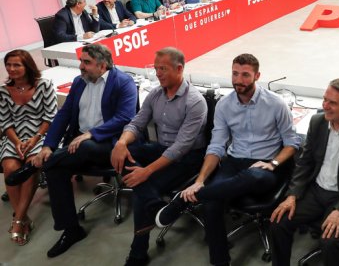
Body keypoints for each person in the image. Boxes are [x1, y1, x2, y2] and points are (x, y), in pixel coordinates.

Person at [154, 53, 301, 266]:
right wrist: (200, 181)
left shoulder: (276, 104)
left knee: (253, 176)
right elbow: (216, 147)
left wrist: (274, 163)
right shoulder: (224, 105)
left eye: (245, 75)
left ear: (257, 76)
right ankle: (220, 260)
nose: (238, 80)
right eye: (235, 74)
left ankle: (182, 200)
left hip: (265, 165)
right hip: (234, 162)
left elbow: (292, 143)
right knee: (211, 203)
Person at [25, 44, 136, 258]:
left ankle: (34, 166)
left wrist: (92, 134)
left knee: (79, 147)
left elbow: (125, 118)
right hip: (79, 144)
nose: (81, 66)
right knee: (56, 170)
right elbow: (64, 115)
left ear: (102, 65)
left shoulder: (123, 82)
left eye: (86, 62)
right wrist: (48, 145)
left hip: (109, 144)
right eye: (81, 61)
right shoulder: (79, 82)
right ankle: (72, 230)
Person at [110, 47, 207, 266]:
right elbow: (137, 123)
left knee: (144, 186)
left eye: (162, 69)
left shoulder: (195, 101)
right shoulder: (155, 94)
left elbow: (181, 147)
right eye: (156, 69)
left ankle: (138, 253)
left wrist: (147, 171)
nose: (158, 74)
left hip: (189, 157)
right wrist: (121, 142)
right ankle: (156, 207)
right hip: (162, 148)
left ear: (179, 69)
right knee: (123, 153)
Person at [270, 78, 339, 266]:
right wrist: (292, 195)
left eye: (332, 103)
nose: (325, 106)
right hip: (316, 191)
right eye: (324, 100)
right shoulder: (317, 121)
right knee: (278, 222)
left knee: (329, 241)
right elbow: (305, 163)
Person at [1, 50, 57, 245]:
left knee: (31, 166)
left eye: (17, 65)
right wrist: (17, 142)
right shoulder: (3, 91)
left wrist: (35, 139)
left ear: (27, 66)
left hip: (39, 134)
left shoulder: (44, 85)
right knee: (10, 168)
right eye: (8, 65)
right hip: (14, 137)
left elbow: (50, 117)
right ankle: (23, 218)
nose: (11, 69)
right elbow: (5, 122)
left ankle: (18, 220)